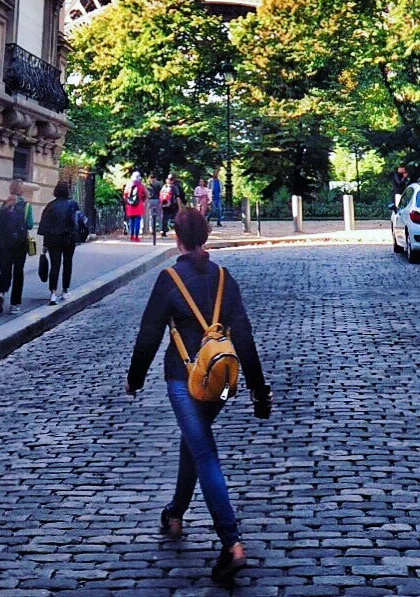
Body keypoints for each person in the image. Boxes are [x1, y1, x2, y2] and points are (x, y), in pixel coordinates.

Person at [126, 207, 271, 588]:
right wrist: (258, 390)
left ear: (177, 238)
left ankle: (231, 543)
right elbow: (244, 338)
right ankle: (175, 513)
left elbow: (148, 334)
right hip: (221, 386)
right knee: (193, 442)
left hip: (184, 380)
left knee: (203, 450)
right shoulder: (224, 278)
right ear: (205, 236)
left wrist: (134, 379)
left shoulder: (169, 279)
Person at [37, 181, 80, 304]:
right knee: (67, 264)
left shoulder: (50, 206)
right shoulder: (73, 204)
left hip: (53, 239)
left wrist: (45, 245)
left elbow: (45, 226)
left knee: (54, 265)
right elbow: (77, 222)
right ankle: (65, 290)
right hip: (68, 239)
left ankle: (53, 293)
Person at [0, 180, 33, 314]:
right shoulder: (26, 206)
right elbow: (30, 225)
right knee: (18, 273)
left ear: (11, 189)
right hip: (20, 244)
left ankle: (1, 293)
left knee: (4, 271)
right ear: (21, 190)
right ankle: (15, 305)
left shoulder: (4, 205)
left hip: (5, 244)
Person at [123, 171, 147, 241]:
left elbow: (125, 196)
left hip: (130, 206)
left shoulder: (128, 186)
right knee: (137, 221)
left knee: (131, 220)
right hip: (139, 205)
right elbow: (146, 195)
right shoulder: (141, 186)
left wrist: (128, 202)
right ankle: (136, 236)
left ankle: (131, 236)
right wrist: (143, 202)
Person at [148, 176, 163, 241]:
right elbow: (161, 192)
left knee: (151, 215)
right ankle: (161, 229)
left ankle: (151, 229)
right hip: (157, 199)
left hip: (150, 200)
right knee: (159, 215)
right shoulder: (159, 184)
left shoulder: (148, 184)